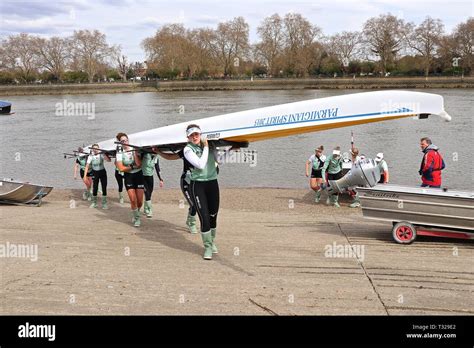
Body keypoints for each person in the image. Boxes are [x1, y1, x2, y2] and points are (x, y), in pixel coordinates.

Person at [181, 124, 235, 260]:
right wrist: (205, 146)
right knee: (204, 217)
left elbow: (220, 161)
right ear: (187, 137)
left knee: (213, 216)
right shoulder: (188, 149)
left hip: (212, 184)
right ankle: (208, 247)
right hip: (197, 186)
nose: (194, 137)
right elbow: (200, 164)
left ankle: (212, 241)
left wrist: (233, 149)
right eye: (192, 135)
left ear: (200, 134)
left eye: (197, 134)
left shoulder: (211, 146)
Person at [156, 148, 198, 234]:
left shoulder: (205, 150)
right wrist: (159, 152)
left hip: (199, 181)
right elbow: (170, 156)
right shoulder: (186, 150)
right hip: (186, 181)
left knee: (198, 204)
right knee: (193, 204)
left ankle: (191, 219)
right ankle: (192, 223)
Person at [115, 132, 145, 227]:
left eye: (126, 140)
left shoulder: (134, 148)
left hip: (139, 175)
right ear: (120, 143)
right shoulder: (120, 152)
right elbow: (120, 168)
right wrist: (132, 167)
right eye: (122, 141)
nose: (124, 142)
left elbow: (139, 164)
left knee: (140, 201)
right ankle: (136, 218)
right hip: (128, 177)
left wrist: (135, 153)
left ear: (128, 140)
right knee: (132, 200)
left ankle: (137, 211)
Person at [83, 144, 111, 209]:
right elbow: (87, 166)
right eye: (94, 148)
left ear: (99, 149)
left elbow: (109, 160)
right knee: (95, 188)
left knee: (104, 187)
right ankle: (94, 203)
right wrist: (84, 176)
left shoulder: (101, 154)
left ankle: (104, 203)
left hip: (102, 172)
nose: (95, 150)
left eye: (97, 148)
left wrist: (104, 154)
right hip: (95, 173)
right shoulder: (90, 156)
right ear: (92, 149)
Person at [142, 151, 164, 218]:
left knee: (150, 193)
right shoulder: (144, 154)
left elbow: (157, 169)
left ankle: (145, 208)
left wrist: (161, 179)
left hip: (150, 177)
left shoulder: (156, 157)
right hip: (142, 177)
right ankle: (150, 210)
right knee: (147, 193)